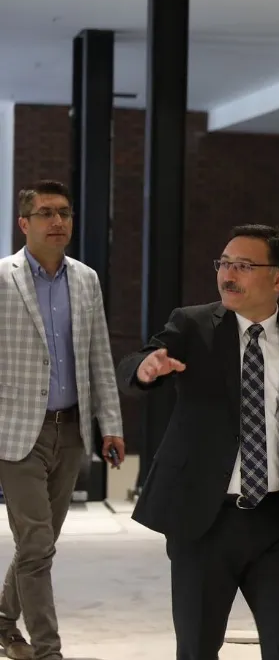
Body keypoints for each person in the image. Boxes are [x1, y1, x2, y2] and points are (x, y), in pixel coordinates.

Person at [116, 225, 279, 660]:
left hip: (275, 521)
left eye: (243, 266)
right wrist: (145, 368)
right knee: (197, 648)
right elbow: (136, 362)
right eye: (224, 263)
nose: (228, 275)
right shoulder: (192, 324)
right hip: (204, 520)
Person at [0, 180, 125, 660]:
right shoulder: (4, 278)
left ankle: (3, 619)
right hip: (17, 432)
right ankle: (48, 650)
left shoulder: (86, 280)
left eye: (65, 213)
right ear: (24, 223)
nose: (57, 221)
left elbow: (99, 356)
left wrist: (110, 425)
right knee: (35, 542)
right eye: (46, 213)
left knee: (41, 541)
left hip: (71, 429)